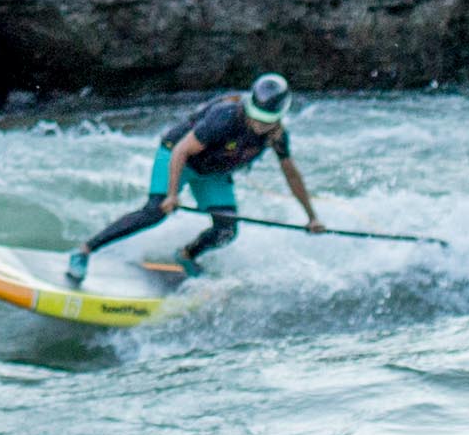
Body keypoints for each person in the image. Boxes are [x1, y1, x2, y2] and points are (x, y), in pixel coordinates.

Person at [64, 72, 318, 287]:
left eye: (267, 122)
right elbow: (182, 151)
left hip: (213, 172)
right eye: (256, 117)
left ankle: (186, 255)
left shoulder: (277, 136)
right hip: (178, 157)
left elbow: (291, 175)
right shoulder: (226, 116)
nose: (259, 125)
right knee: (155, 212)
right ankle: (84, 251)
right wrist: (173, 195)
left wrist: (311, 217)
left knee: (227, 229)